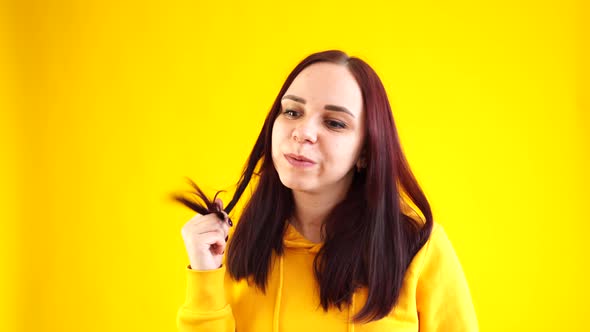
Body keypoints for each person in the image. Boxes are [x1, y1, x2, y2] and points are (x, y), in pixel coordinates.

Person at [176, 50, 478, 331]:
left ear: (366, 152)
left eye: (334, 123)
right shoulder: (237, 244)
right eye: (292, 112)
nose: (303, 132)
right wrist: (205, 275)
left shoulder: (418, 247)